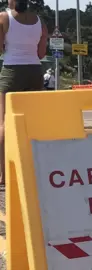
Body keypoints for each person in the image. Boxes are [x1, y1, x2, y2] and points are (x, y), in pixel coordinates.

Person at [0, 0, 48, 185]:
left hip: (12, 70)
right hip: (35, 72)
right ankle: (34, 170)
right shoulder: (40, 21)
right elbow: (41, 53)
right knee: (32, 123)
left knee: (4, 123)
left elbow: (0, 48)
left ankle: (3, 176)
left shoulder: (4, 17)